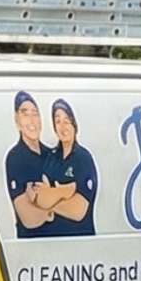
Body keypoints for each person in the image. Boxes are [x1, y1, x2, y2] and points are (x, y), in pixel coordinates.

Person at [40, 98, 99, 236]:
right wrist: (65, 193)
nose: (63, 126)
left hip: (80, 243)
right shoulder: (50, 158)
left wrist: (50, 201)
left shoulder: (83, 159)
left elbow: (78, 210)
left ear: (74, 125)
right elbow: (41, 198)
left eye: (66, 121)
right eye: (58, 121)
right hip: (53, 242)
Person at [4, 91, 60, 234]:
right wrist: (56, 203)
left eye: (35, 114)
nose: (32, 121)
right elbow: (28, 218)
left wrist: (43, 200)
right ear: (17, 119)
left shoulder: (52, 155)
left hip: (60, 242)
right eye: (25, 114)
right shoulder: (15, 158)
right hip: (32, 247)